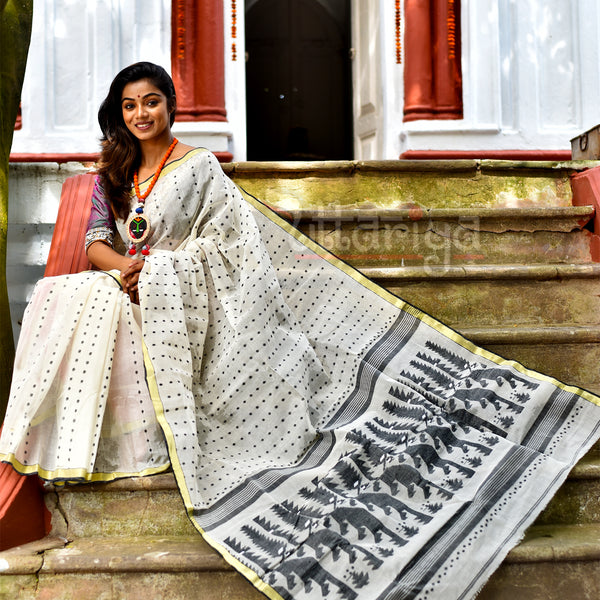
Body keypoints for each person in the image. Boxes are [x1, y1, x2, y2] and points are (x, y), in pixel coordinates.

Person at [1, 62, 600, 600]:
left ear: (171, 105)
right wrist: (130, 268)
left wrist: (162, 271)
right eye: (130, 105)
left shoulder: (198, 167)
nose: (140, 114)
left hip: (187, 292)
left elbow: (225, 243)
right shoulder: (115, 170)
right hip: (135, 281)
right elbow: (95, 242)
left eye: (151, 101)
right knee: (64, 292)